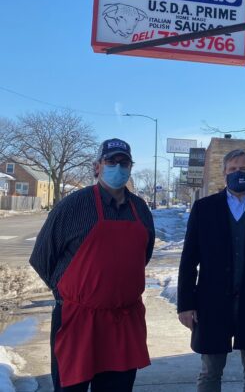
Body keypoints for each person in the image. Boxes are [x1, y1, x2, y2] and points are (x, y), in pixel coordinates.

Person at [29, 138, 155, 392]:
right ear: (97, 166)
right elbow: (43, 257)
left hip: (124, 321)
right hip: (78, 321)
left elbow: (144, 254)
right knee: (70, 388)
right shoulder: (73, 206)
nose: (118, 167)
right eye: (111, 161)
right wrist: (69, 294)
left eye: (124, 162)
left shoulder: (140, 208)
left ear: (130, 167)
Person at [177, 149, 245, 392]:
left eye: (242, 169)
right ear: (224, 173)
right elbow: (188, 260)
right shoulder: (204, 208)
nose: (237, 173)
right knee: (210, 370)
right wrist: (185, 303)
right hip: (212, 302)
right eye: (232, 169)